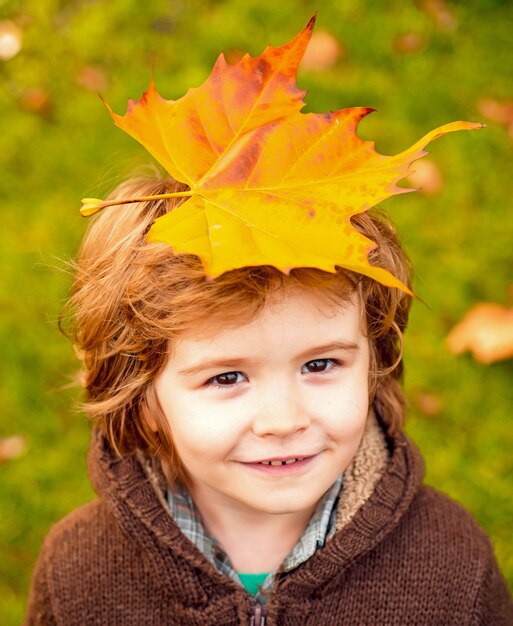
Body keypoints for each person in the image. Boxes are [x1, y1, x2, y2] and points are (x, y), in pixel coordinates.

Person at [25, 19, 513, 626]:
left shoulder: (450, 565)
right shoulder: (79, 574)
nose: (284, 421)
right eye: (227, 377)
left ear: (374, 360)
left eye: (320, 364)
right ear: (143, 399)